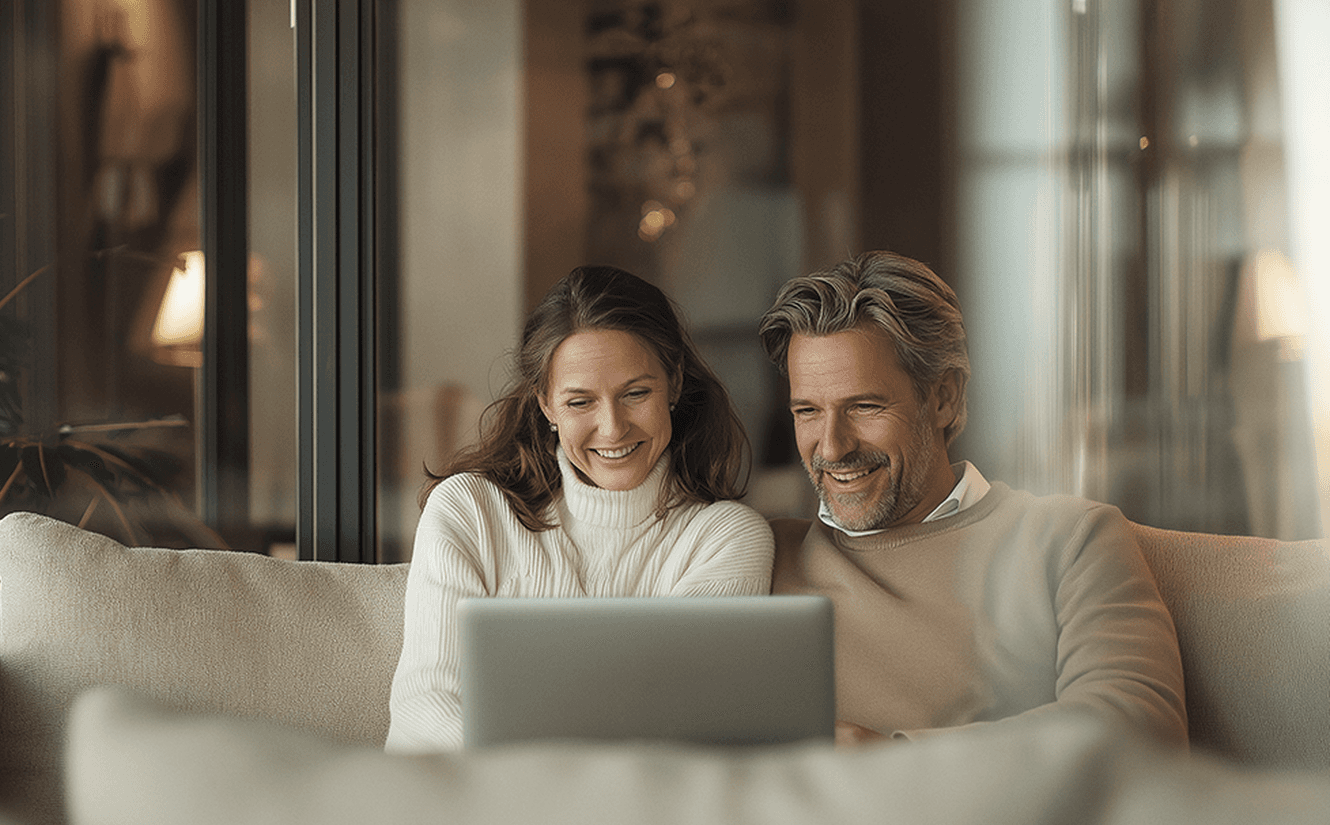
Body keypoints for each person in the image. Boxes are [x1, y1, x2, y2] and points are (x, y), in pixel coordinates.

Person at [758, 251, 1188, 748]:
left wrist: (891, 758)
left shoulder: (1068, 540)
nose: (832, 447)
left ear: (944, 398)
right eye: (807, 411)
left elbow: (1141, 730)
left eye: (865, 406)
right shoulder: (756, 552)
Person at [387, 265, 775, 751]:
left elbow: (678, 728)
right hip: (470, 802)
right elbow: (425, 706)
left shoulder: (726, 539)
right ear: (545, 405)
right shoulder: (469, 510)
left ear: (674, 384)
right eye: (579, 403)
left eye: (636, 394)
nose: (612, 428)